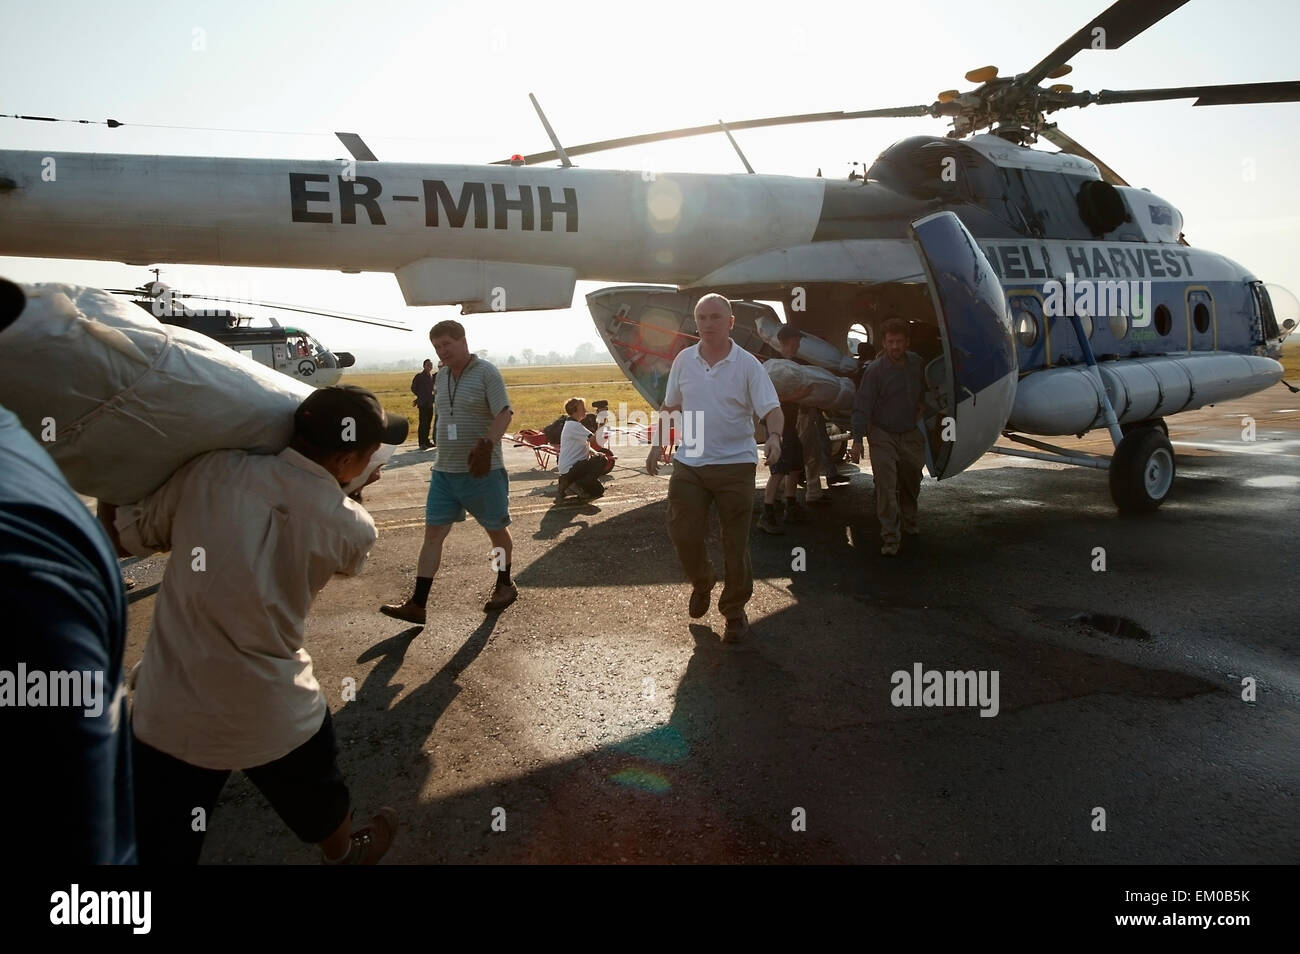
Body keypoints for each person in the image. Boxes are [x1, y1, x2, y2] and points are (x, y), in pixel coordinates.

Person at [111, 385, 407, 864]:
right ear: (349, 459)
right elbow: (344, 554)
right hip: (272, 706)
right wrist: (348, 495)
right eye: (371, 452)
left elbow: (128, 535)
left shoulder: (209, 472)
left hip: (171, 703)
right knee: (321, 800)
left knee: (161, 839)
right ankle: (346, 853)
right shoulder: (352, 526)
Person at [647, 293, 782, 642]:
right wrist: (656, 442)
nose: (708, 324)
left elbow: (772, 408)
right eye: (702, 317)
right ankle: (702, 581)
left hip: (735, 465)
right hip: (689, 463)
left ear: (730, 322)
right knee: (682, 530)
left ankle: (734, 611)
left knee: (734, 543)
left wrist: (776, 436)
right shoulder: (683, 360)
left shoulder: (748, 364)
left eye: (715, 317)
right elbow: (670, 405)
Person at [381, 320, 516, 622]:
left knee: (496, 533)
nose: (442, 352)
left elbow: (504, 413)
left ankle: (504, 583)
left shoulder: (486, 373)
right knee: (432, 536)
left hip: (482, 472)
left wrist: (486, 444)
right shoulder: (441, 376)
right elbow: (443, 417)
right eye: (437, 347)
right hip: (444, 472)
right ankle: (418, 604)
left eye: (447, 345)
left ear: (463, 341)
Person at [849, 317, 927, 556]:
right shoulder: (875, 371)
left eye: (899, 342)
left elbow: (927, 389)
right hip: (882, 433)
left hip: (910, 432)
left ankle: (909, 519)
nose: (895, 346)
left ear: (907, 343)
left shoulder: (917, 364)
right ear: (883, 342)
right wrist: (858, 438)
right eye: (891, 342)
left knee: (912, 479)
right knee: (886, 485)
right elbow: (862, 406)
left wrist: (924, 406)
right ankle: (891, 537)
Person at [758, 326, 810, 533]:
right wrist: (799, 395)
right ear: (787, 341)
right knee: (779, 469)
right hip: (776, 427)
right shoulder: (771, 365)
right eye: (796, 341)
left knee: (795, 465)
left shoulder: (795, 364)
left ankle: (790, 504)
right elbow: (770, 398)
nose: (798, 345)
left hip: (791, 423)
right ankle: (767, 513)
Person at [556, 397, 607, 500]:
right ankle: (575, 484)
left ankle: (568, 483)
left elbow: (585, 443)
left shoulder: (572, 424)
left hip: (572, 467)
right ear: (575, 410)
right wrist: (601, 419)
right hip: (573, 467)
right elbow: (595, 440)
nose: (586, 411)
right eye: (583, 408)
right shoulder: (574, 426)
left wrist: (595, 453)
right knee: (602, 461)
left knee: (598, 491)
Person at [411, 358, 437, 450]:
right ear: (424, 366)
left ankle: (426, 441)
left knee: (428, 423)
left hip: (429, 403)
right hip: (423, 403)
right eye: (428, 365)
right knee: (423, 423)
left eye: (431, 365)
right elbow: (413, 388)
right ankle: (421, 442)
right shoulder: (419, 376)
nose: (430, 367)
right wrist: (420, 396)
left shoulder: (431, 376)